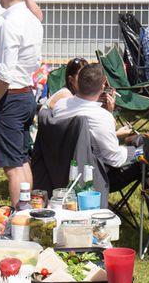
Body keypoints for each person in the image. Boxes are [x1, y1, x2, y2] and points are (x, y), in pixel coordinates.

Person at [0, 0, 42, 206]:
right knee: (21, 160)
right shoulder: (32, 19)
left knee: (12, 167)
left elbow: (6, 72)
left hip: (10, 96)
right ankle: (28, 213)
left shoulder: (10, 23)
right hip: (25, 93)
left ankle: (21, 216)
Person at [52, 64, 143, 196]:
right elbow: (115, 159)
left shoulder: (60, 106)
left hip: (61, 173)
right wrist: (137, 151)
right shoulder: (100, 116)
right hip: (93, 179)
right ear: (103, 86)